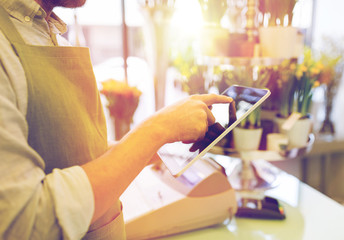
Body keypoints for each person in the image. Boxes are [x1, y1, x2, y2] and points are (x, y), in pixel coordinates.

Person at [0, 0, 233, 239]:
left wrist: (153, 147)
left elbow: (71, 153)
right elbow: (25, 218)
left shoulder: (49, 33)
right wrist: (157, 128)